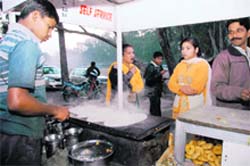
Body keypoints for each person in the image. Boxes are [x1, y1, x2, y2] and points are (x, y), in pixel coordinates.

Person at [0, 1, 70, 165]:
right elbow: (17, 102)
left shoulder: (8, 40)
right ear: (35, 16)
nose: (50, 33)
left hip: (5, 133)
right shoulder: (27, 43)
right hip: (21, 137)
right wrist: (54, 110)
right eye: (49, 26)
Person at [211, 17, 250, 110]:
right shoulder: (222, 58)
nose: (234, 35)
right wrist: (239, 93)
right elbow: (216, 88)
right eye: (231, 32)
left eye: (239, 30)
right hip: (233, 112)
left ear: (248, 33)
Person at [168, 37, 212, 119]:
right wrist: (182, 88)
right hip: (179, 106)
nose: (184, 51)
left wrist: (178, 88)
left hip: (195, 106)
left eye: (188, 48)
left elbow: (195, 88)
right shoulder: (180, 65)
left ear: (196, 50)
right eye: (182, 48)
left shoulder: (202, 65)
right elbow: (171, 84)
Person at [144, 51, 166, 116]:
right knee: (154, 108)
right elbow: (148, 79)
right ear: (154, 58)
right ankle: (155, 121)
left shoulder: (159, 66)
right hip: (152, 91)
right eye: (159, 59)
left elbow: (157, 78)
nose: (160, 60)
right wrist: (159, 74)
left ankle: (158, 121)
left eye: (161, 59)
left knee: (157, 106)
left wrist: (162, 79)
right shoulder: (150, 67)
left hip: (157, 91)